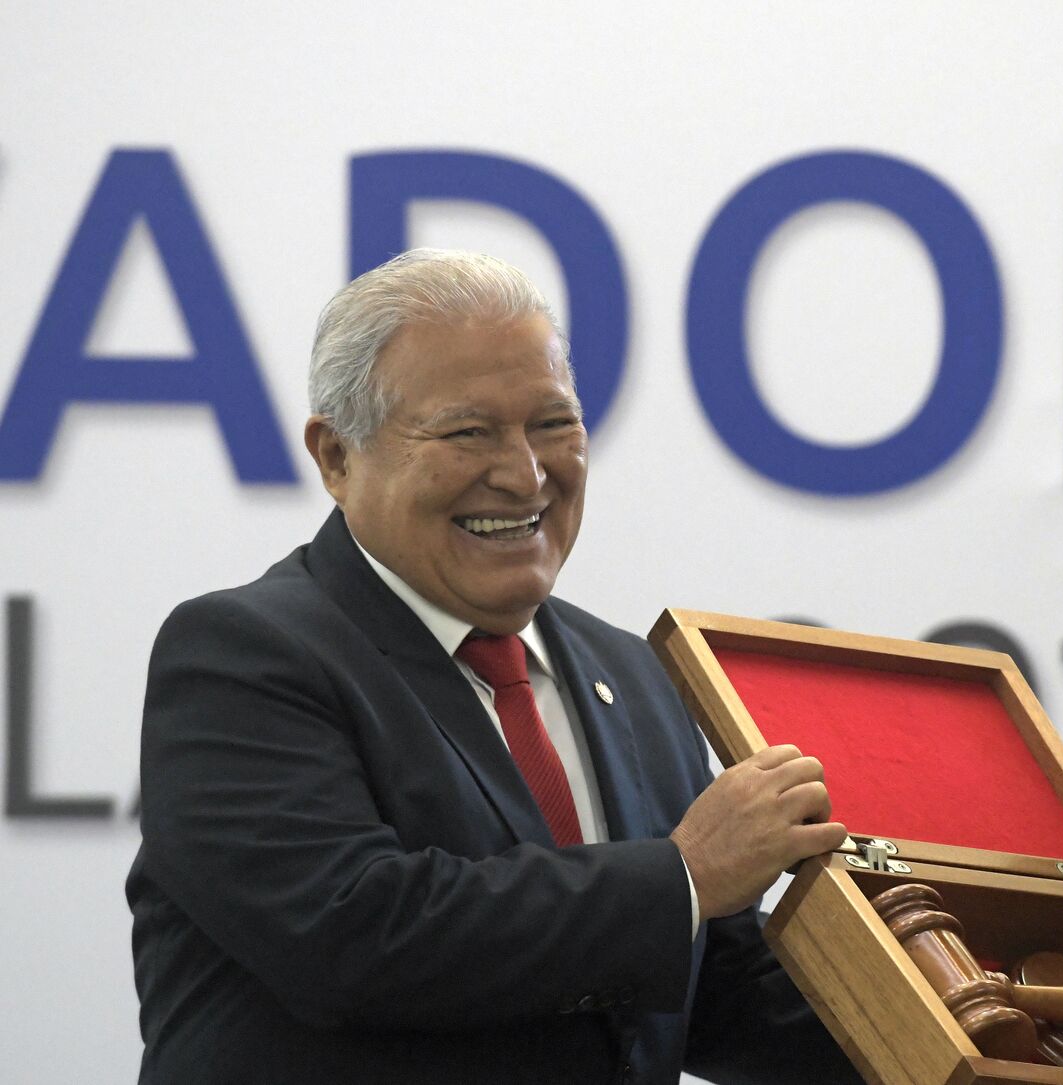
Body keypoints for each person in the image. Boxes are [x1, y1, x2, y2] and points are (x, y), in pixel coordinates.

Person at [125, 249, 858, 1085]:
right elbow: (357, 937)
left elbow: (710, 983)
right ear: (336, 457)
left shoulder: (633, 673)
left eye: (553, 423)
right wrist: (683, 874)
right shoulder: (241, 655)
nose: (525, 474)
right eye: (468, 432)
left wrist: (951, 1025)